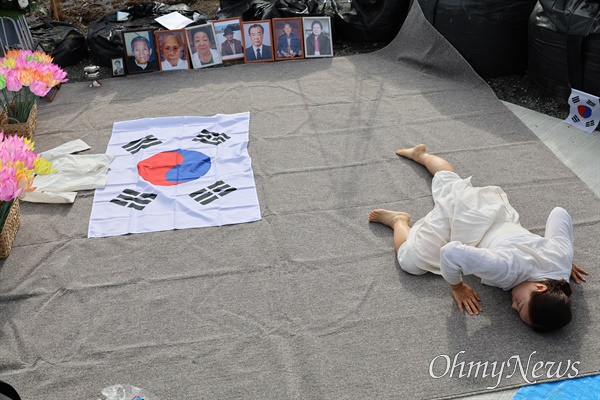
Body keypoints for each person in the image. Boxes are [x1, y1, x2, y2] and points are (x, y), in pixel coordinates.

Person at [368, 144, 588, 332]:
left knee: (450, 182)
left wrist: (564, 258)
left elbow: (560, 212)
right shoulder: (506, 268)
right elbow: (450, 253)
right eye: (520, 305)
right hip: (467, 220)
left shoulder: (561, 263)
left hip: (496, 211)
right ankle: (398, 221)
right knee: (410, 261)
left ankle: (422, 155)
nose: (512, 306)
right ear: (540, 288)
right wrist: (458, 287)